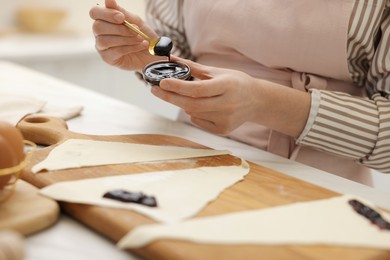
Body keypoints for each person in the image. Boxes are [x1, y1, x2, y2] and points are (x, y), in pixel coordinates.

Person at [90, 0, 390, 186]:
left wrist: (264, 103)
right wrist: (148, 58)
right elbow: (179, 55)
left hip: (319, 187)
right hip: (187, 165)